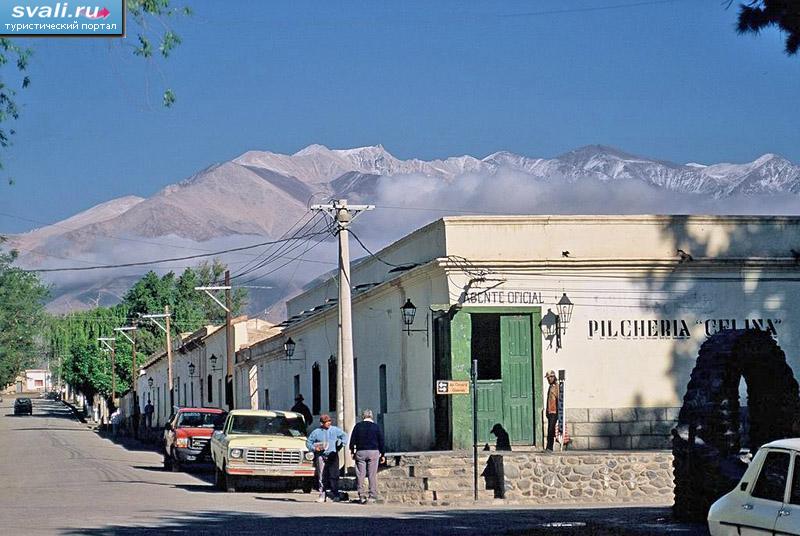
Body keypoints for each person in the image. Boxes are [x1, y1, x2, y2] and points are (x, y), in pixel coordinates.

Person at [306, 414, 347, 503]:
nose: (328, 423)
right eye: (326, 422)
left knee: (334, 475)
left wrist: (340, 445)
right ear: (321, 423)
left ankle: (335, 494)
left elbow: (344, 436)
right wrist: (314, 448)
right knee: (321, 476)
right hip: (321, 455)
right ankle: (322, 495)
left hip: (332, 455)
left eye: (329, 421)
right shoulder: (316, 432)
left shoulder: (335, 430)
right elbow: (308, 442)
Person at [349, 409, 385, 504]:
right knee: (372, 474)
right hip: (373, 452)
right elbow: (381, 441)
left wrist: (352, 451)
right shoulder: (376, 427)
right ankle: (372, 495)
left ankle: (361, 495)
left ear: (363, 416)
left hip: (361, 451)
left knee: (360, 474)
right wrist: (383, 454)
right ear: (371, 416)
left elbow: (352, 440)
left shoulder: (358, 426)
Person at [545, 370, 559, 451]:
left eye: (549, 378)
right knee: (550, 429)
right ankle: (548, 446)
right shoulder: (551, 387)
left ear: (553, 377)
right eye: (547, 378)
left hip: (554, 411)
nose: (548, 379)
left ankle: (550, 447)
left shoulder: (556, 387)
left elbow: (558, 399)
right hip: (550, 411)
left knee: (551, 430)